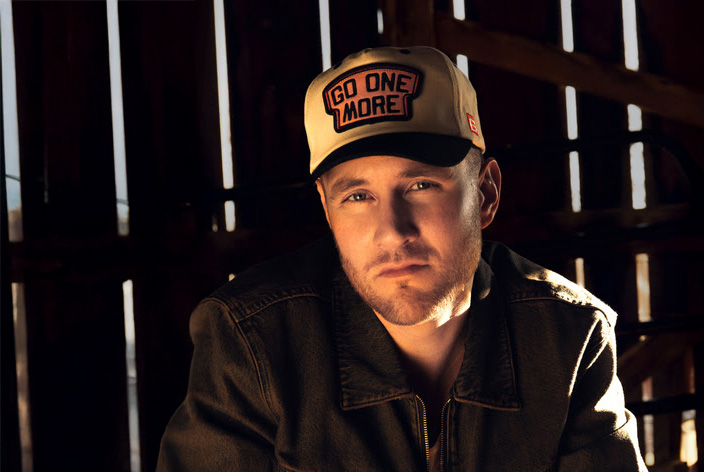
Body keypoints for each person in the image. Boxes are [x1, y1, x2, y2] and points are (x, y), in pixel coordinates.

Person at [158, 46, 647, 471]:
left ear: (486, 193)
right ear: (327, 210)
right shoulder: (253, 341)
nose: (393, 230)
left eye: (420, 185)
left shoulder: (568, 336)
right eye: (358, 196)